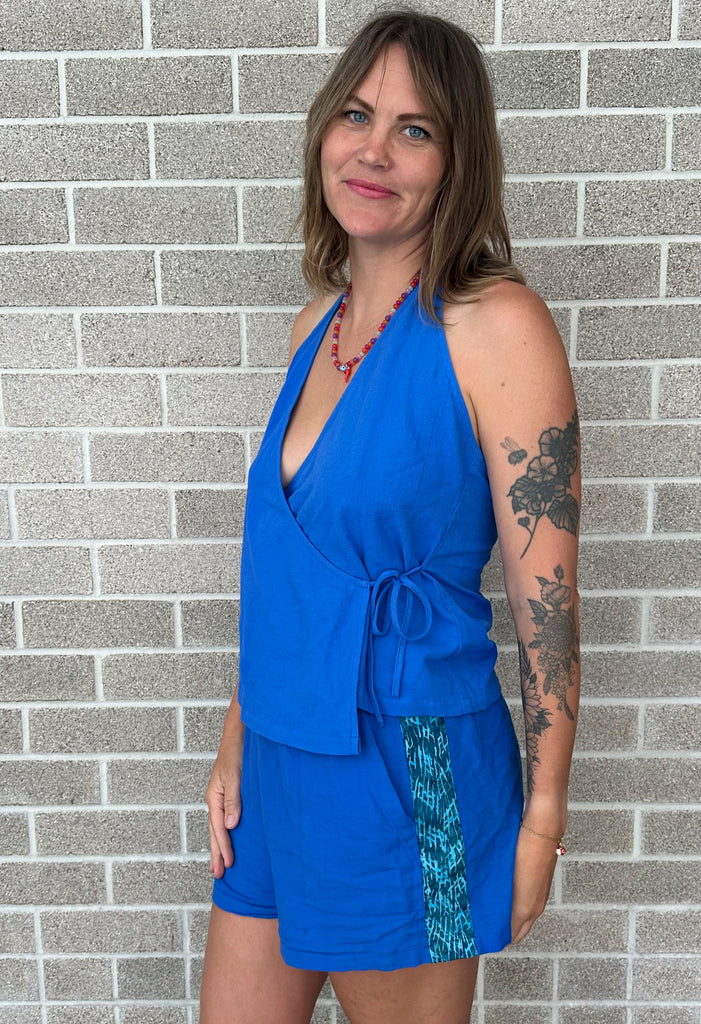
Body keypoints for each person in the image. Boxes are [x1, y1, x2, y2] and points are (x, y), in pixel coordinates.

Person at [199, 10, 581, 1024]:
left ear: (456, 163)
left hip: (412, 769)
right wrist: (236, 738)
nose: (373, 150)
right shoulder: (313, 330)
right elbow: (288, 570)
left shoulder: (495, 325)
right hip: (280, 756)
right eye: (356, 115)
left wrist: (542, 821)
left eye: (414, 129)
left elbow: (545, 604)